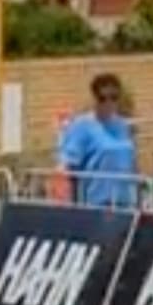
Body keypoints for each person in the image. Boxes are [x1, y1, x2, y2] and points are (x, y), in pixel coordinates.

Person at [56, 73, 138, 208]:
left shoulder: (122, 126)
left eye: (114, 97)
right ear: (94, 98)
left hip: (125, 202)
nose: (108, 103)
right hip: (96, 204)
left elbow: (132, 162)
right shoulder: (82, 126)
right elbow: (68, 166)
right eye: (103, 98)